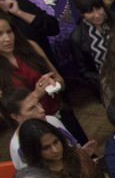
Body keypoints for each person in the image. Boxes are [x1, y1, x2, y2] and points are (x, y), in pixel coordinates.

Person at [0, 10, 84, 144]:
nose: (7, 38)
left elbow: (60, 81)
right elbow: (5, 114)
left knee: (85, 153)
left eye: (9, 32)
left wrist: (53, 85)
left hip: (60, 113)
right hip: (34, 129)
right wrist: (37, 94)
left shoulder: (30, 46)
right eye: (0, 34)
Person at [2, 86, 78, 170]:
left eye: (38, 103)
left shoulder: (51, 120)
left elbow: (73, 146)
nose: (41, 110)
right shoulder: (19, 147)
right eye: (32, 108)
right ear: (15, 117)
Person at [68, 0, 115, 94]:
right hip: (109, 87)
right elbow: (84, 71)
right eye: (90, 11)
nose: (97, 15)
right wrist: (106, 80)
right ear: (81, 13)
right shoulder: (77, 37)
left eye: (98, 8)